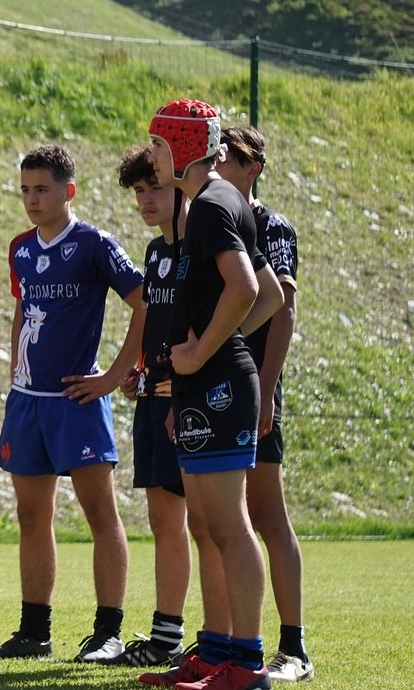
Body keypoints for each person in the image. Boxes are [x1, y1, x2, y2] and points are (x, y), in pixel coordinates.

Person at [0, 143, 145, 663]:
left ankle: (108, 632)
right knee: (31, 517)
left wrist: (115, 375)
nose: (31, 199)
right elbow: (23, 309)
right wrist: (14, 372)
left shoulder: (95, 244)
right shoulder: (20, 248)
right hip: (28, 403)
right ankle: (34, 632)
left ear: (68, 191)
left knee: (100, 514)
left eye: (42, 189)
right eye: (25, 190)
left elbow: (144, 303)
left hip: (78, 400)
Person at [139, 99, 284, 690]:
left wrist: (204, 354)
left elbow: (251, 288)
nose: (151, 157)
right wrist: (190, 378)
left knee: (229, 524)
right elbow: (270, 294)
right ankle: (218, 651)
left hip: (221, 386)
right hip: (205, 387)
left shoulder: (211, 204)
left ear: (177, 145)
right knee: (205, 524)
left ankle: (246, 665)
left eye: (155, 145)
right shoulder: (217, 199)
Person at [217, 125, 309, 682]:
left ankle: (294, 647)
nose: (220, 163)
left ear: (253, 167)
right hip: (212, 388)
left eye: (231, 157)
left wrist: (266, 389)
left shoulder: (273, 227)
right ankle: (224, 643)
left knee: (267, 515)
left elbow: (283, 310)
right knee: (222, 519)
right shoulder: (212, 218)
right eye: (216, 154)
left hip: (252, 387)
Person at [110, 144, 192, 668]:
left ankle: (227, 637)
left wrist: (179, 391)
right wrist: (138, 369)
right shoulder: (155, 252)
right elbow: (154, 320)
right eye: (139, 192)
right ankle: (167, 637)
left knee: (209, 525)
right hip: (153, 399)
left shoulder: (201, 248)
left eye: (155, 187)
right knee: (164, 521)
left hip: (191, 407)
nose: (146, 199)